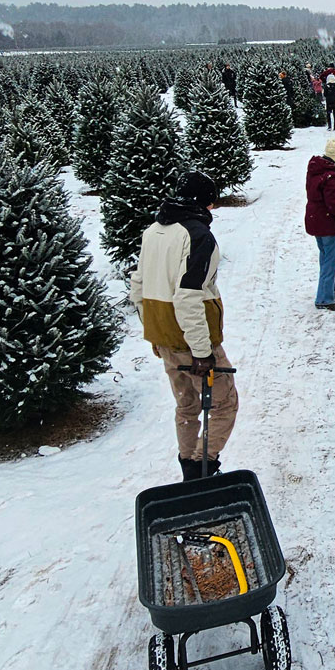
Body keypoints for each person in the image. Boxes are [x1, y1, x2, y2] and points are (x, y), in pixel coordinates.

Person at [129, 170, 238, 480]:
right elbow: (188, 297)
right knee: (224, 403)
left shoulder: (154, 231)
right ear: (206, 204)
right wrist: (202, 352)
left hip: (165, 336)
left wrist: (152, 329)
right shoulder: (198, 237)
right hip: (191, 340)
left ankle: (189, 468)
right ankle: (202, 470)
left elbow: (138, 286)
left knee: (187, 404)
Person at [305, 136, 335, 309]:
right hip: (327, 223)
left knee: (325, 258)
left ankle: (329, 291)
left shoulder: (316, 170)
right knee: (331, 261)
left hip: (315, 220)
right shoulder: (331, 177)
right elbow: (333, 205)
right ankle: (324, 298)